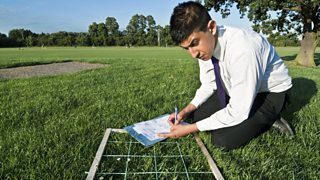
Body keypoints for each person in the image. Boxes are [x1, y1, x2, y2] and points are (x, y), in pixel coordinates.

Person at [158, 1, 294, 150]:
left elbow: (238, 111)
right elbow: (209, 85)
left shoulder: (244, 50)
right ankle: (252, 116)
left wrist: (190, 129)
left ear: (211, 27)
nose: (193, 54)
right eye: (186, 48)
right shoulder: (205, 48)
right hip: (235, 88)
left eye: (194, 43)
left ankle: (270, 117)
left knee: (222, 140)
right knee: (197, 117)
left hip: (270, 94)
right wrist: (185, 111)